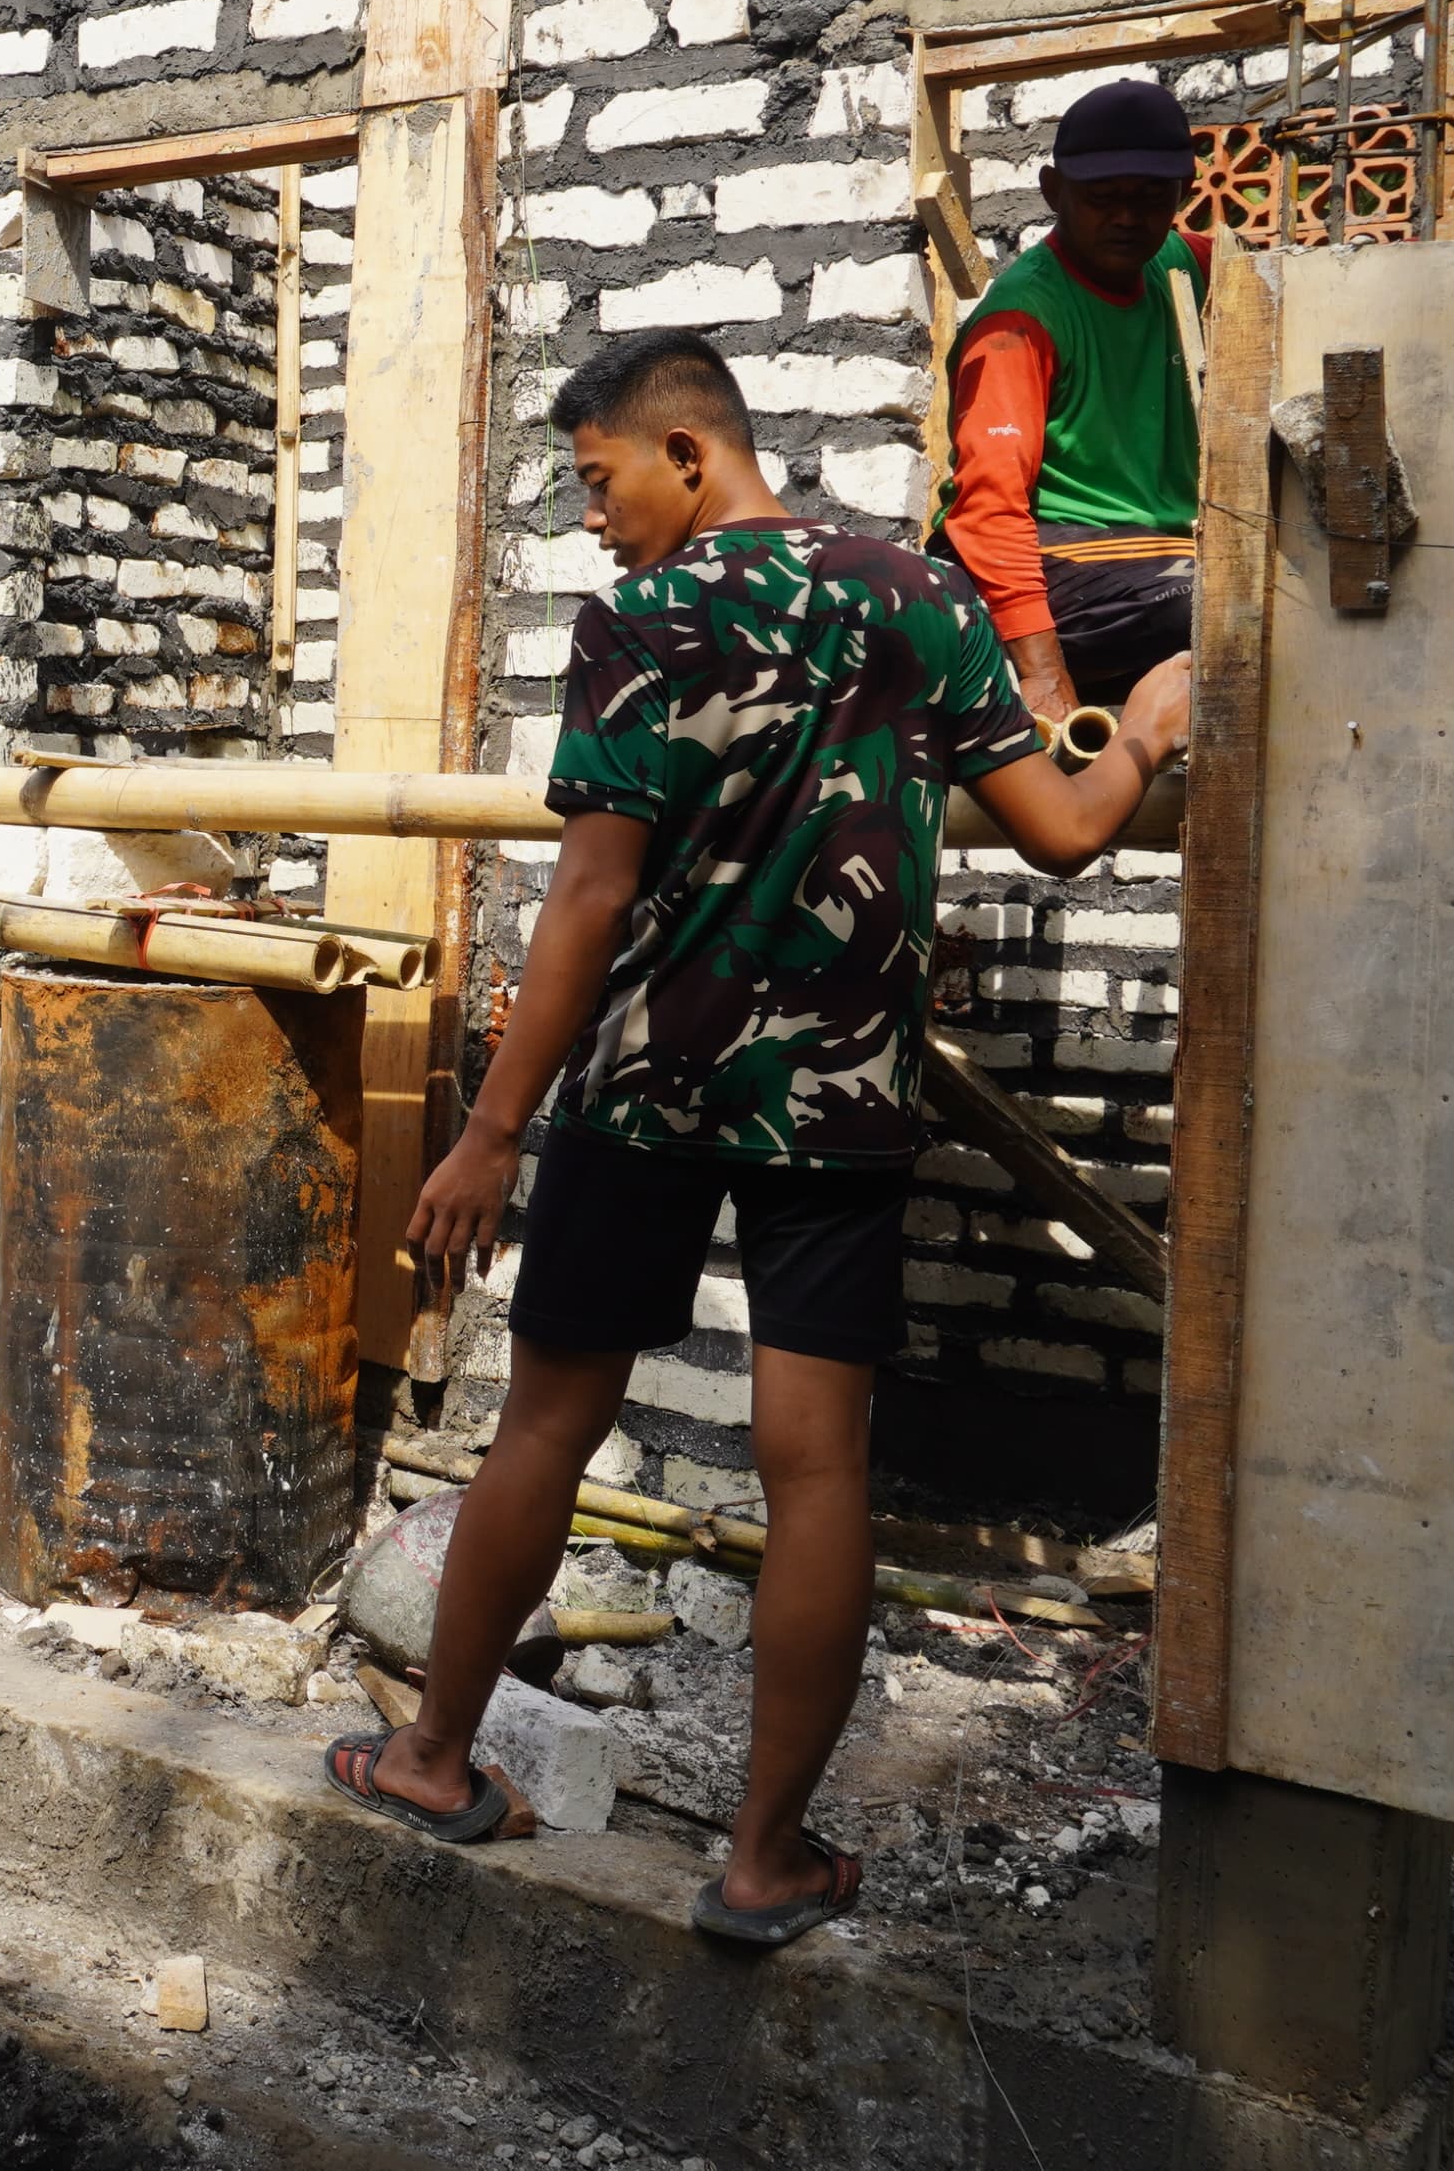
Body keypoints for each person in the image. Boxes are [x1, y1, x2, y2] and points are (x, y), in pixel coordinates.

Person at [320, 332, 1188, 1946]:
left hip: (646, 1081)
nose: (590, 518)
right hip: (840, 1100)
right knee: (819, 1470)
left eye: (599, 478)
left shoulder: (644, 622)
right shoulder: (916, 596)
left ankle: (436, 1757)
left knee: (542, 1431)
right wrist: (1142, 730)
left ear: (693, 456)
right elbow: (1069, 833)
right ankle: (766, 1858)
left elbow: (589, 891)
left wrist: (490, 1124)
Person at [933, 77, 1208, 731]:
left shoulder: (1183, 264)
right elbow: (988, 512)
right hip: (1038, 556)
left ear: (1185, 193)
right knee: (1216, 596)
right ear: (1055, 193)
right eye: (1102, 198)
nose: (1127, 217)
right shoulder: (1022, 323)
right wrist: (1044, 676)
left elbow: (1272, 286)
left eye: (1150, 198)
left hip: (1150, 552)